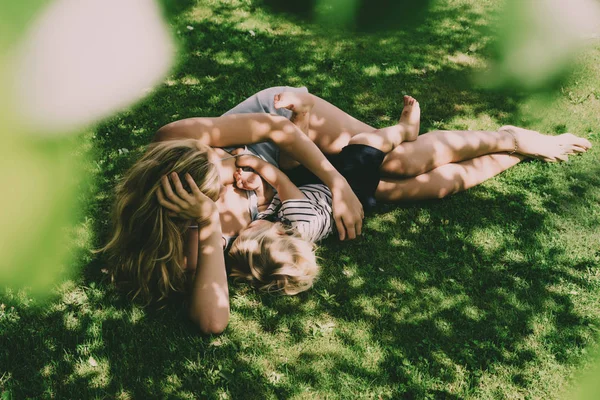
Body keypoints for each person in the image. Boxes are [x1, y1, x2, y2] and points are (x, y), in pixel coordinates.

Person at [111, 86, 591, 334]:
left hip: (278, 127)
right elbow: (213, 321)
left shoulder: (178, 139)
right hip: (285, 183)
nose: (233, 178)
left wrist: (336, 183)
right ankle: (509, 156)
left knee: (399, 160)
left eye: (224, 166)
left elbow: (278, 134)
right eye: (224, 190)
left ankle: (512, 136)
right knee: (416, 190)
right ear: (183, 211)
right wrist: (212, 218)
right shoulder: (193, 237)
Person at [226, 95, 421, 294]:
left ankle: (302, 117)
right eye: (251, 227)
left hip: (315, 189)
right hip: (351, 186)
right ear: (279, 233)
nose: (251, 223)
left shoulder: (285, 235)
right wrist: (250, 160)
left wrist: (257, 187)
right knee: (365, 142)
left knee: (289, 162)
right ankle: (405, 129)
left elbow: (267, 201)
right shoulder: (299, 221)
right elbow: (280, 180)